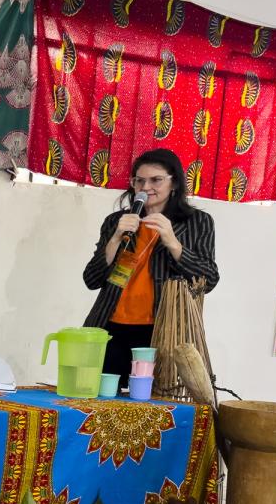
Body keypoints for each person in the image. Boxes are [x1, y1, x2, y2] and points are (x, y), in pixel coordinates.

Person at [83, 148, 218, 385]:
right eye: (139, 181)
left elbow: (208, 279)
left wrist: (173, 243)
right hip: (109, 328)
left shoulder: (197, 222)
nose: (146, 188)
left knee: (151, 403)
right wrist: (115, 238)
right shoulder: (116, 221)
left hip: (161, 330)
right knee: (103, 401)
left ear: (174, 183)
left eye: (156, 180)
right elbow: (91, 280)